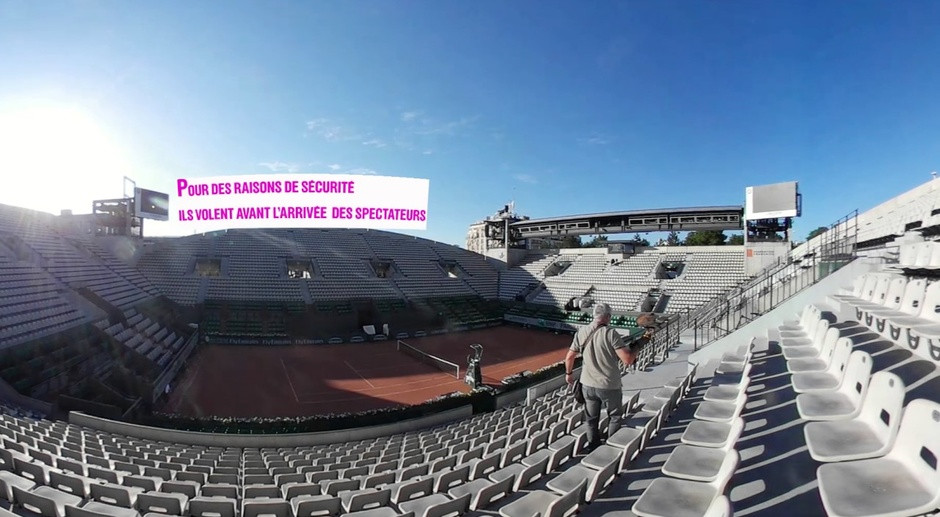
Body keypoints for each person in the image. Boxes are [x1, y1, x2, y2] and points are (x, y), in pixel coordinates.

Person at [565, 303, 640, 451]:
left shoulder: (581, 332)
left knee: (591, 420)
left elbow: (569, 357)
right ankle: (610, 450)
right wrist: (638, 346)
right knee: (615, 417)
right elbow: (628, 360)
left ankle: (593, 447)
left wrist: (568, 374)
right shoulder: (610, 333)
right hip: (608, 385)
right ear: (607, 317)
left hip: (587, 384)